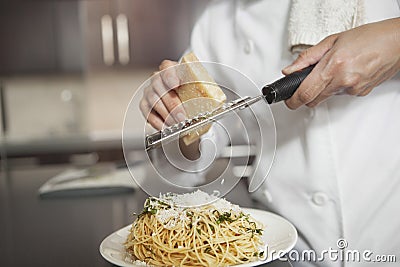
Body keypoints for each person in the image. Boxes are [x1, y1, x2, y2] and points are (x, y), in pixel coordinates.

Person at [140, 0, 400, 266]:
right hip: (287, 248)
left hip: (390, 230)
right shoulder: (215, 24)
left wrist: (394, 39)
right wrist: (176, 117)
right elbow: (188, 161)